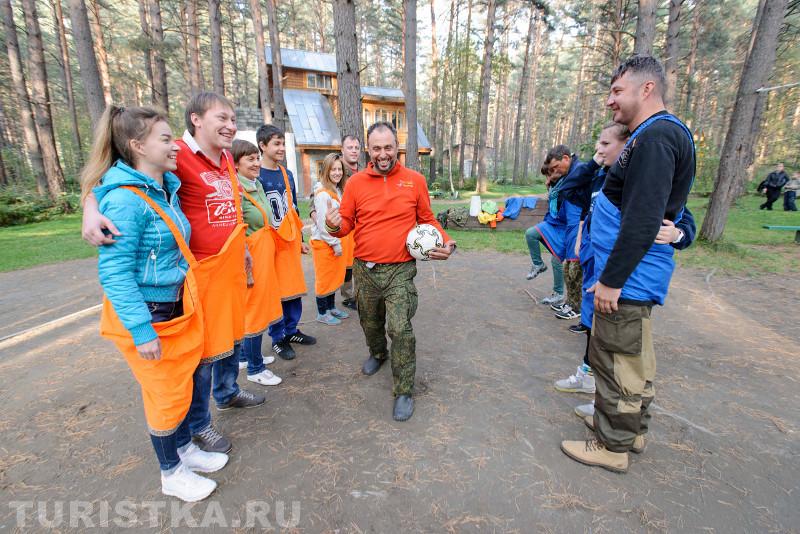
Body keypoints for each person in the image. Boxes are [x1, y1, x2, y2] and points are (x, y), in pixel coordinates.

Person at [83, 92, 266, 455]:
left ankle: (228, 391)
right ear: (196, 120)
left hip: (228, 267)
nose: (230, 126)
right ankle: (198, 425)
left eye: (233, 119)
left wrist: (243, 248)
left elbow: (231, 209)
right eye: (222, 118)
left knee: (230, 338)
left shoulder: (228, 158)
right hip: (195, 274)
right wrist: (90, 207)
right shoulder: (176, 153)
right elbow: (111, 179)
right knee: (199, 356)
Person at [83, 105, 227, 502]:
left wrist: (90, 201)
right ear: (137, 146)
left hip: (176, 306)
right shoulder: (127, 201)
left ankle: (184, 451)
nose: (175, 145)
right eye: (165, 139)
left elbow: (99, 185)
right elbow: (115, 273)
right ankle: (171, 473)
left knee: (181, 385)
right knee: (165, 394)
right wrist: (141, 330)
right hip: (151, 314)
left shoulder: (164, 185)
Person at [560, 55, 696, 473]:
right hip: (631, 276)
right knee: (634, 360)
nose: (610, 101)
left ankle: (611, 445)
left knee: (618, 361)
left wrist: (611, 281)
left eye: (617, 91)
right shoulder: (653, 136)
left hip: (629, 280)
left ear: (647, 89)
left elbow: (642, 218)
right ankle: (630, 430)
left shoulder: (655, 139)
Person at [556, 123, 697, 410]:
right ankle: (592, 383)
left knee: (619, 348)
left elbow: (682, 217)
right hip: (596, 265)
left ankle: (611, 410)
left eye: (605, 145)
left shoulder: (643, 177)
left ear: (627, 146)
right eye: (598, 145)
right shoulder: (600, 179)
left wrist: (678, 234)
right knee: (594, 329)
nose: (599, 150)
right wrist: (596, 162)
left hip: (624, 274)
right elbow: (566, 189)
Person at [325, 122, 456, 421]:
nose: (383, 154)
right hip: (365, 270)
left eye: (388, 147)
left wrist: (448, 243)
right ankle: (378, 353)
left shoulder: (415, 181)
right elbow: (346, 223)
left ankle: (404, 389)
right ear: (368, 150)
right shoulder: (356, 183)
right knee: (370, 323)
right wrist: (334, 224)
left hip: (400, 270)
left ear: (397, 146)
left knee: (400, 328)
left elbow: (427, 219)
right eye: (376, 148)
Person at [256, 124, 316, 361]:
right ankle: (277, 337)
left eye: (283, 143)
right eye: (276, 144)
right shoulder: (256, 173)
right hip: (270, 244)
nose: (281, 148)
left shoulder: (286, 174)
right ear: (263, 146)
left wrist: (300, 239)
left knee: (293, 290)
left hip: (289, 242)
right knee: (275, 292)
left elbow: (291, 209)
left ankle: (291, 330)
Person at [232, 139, 283, 386]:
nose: (256, 163)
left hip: (262, 254)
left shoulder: (255, 184)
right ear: (236, 164)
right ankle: (255, 368)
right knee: (254, 310)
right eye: (250, 159)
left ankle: (245, 355)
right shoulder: (237, 190)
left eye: (256, 158)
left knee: (259, 306)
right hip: (250, 258)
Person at [524, 146, 581, 307]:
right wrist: (550, 183)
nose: (550, 176)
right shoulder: (555, 186)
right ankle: (538, 264)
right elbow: (554, 205)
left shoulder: (569, 179)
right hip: (554, 223)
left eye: (552, 171)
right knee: (531, 234)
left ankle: (559, 295)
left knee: (557, 260)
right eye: (549, 172)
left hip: (566, 226)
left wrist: (553, 179)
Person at [311, 153, 352, 325]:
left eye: (339, 169)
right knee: (324, 279)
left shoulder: (337, 190)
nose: (337, 172)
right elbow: (322, 224)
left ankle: (331, 308)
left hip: (334, 241)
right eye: (333, 169)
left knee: (334, 277)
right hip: (325, 243)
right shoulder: (323, 194)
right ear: (326, 170)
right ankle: (322, 312)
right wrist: (335, 244)